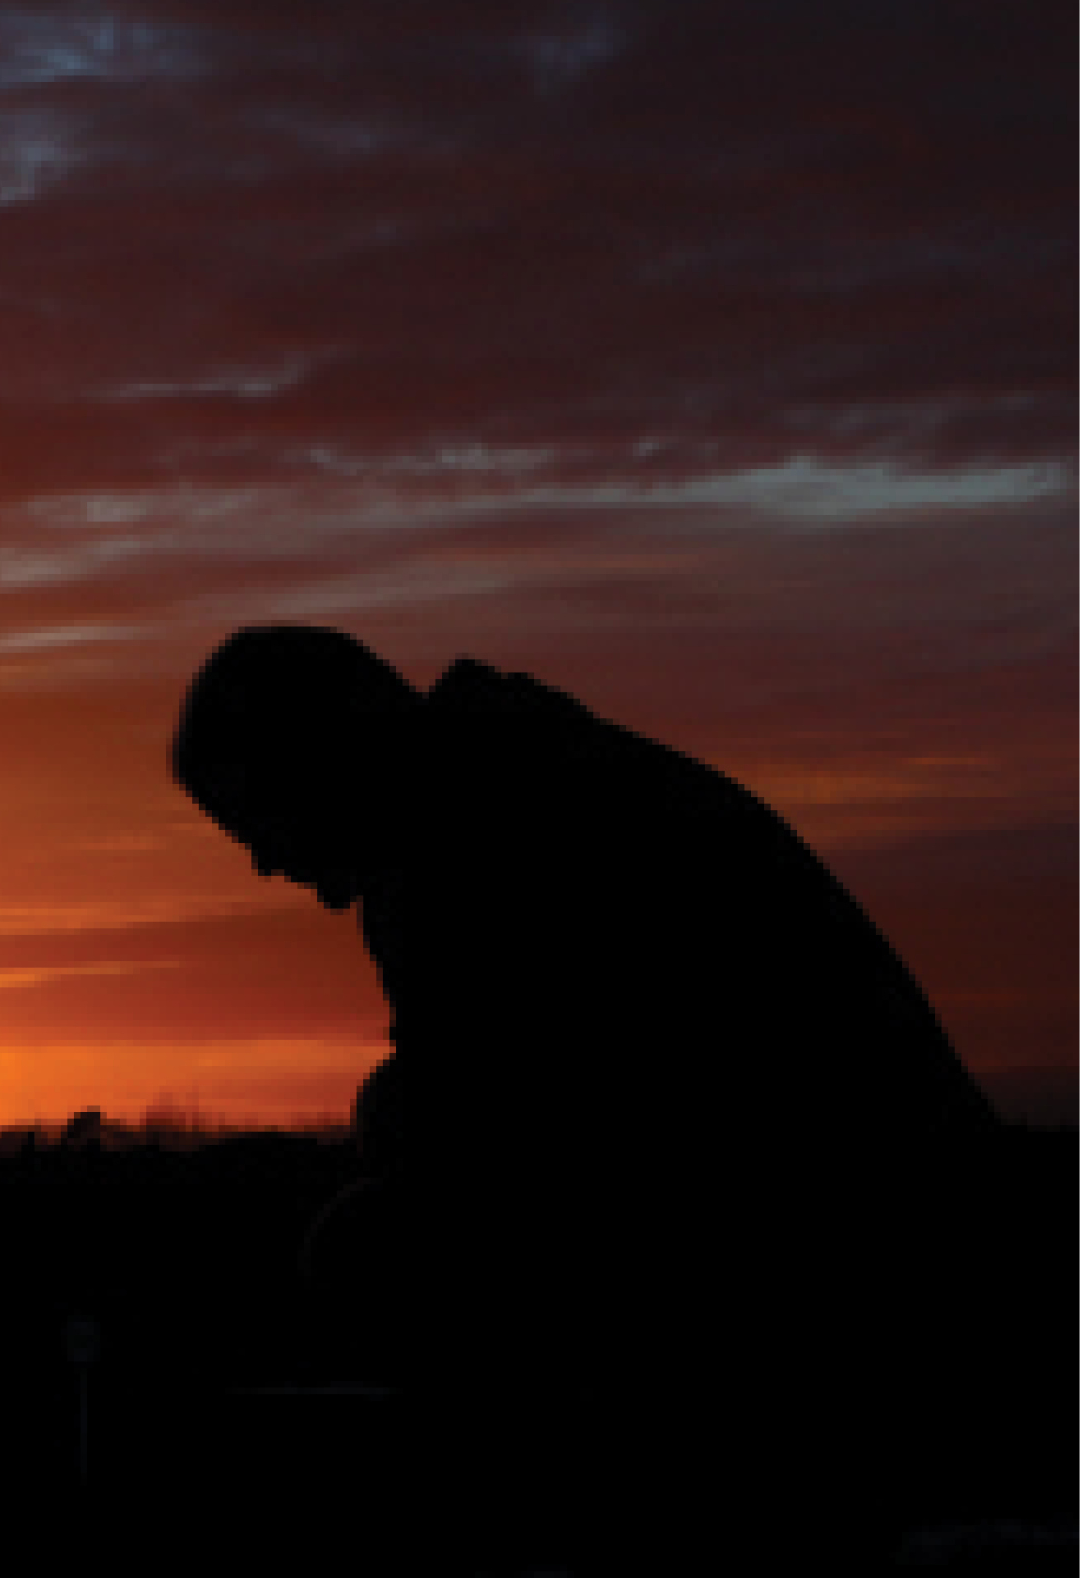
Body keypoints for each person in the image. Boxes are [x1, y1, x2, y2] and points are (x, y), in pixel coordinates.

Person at [170, 625, 998, 1570]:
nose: (272, 870)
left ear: (321, 766)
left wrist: (390, 1124)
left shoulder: (480, 850)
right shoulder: (531, 780)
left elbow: (495, 1135)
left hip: (839, 1265)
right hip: (884, 1232)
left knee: (373, 1250)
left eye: (263, 828)